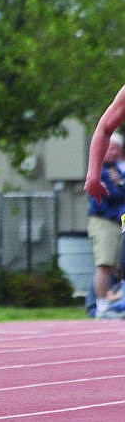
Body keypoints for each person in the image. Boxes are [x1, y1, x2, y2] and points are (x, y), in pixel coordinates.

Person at [83, 132, 125, 317]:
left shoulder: (118, 169)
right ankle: (99, 306)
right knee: (104, 263)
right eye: (110, 148)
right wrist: (121, 186)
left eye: (117, 149)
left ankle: (113, 303)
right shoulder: (99, 170)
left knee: (119, 266)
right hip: (103, 221)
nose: (114, 152)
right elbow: (108, 196)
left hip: (119, 221)